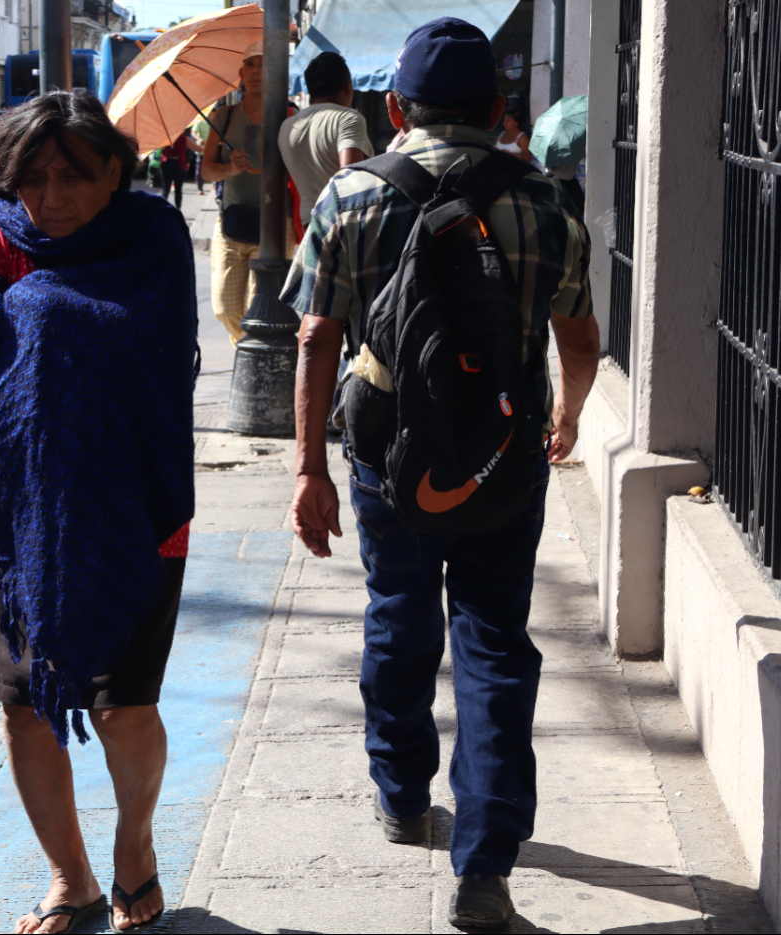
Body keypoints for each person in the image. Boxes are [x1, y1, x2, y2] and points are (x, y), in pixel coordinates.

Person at [282, 18, 600, 931]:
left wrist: (309, 470)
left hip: (389, 456)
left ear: (394, 109)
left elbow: (315, 335)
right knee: (496, 644)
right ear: (502, 111)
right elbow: (578, 338)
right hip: (505, 456)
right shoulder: (542, 200)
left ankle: (401, 790)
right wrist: (568, 412)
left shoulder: (349, 196)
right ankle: (485, 867)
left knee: (397, 614)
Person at [0, 90, 197, 935]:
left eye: (72, 177)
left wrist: (39, 308)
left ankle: (134, 846)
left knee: (122, 705)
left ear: (116, 174)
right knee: (25, 705)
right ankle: (70, 879)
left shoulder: (153, 238)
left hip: (137, 511)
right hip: (15, 524)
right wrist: (39, 308)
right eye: (32, 179)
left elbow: (157, 351)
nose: (49, 198)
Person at [202, 41, 286, 345]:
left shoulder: (286, 115)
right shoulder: (223, 116)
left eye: (263, 65)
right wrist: (229, 170)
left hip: (276, 227)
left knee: (260, 309)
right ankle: (249, 349)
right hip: (231, 225)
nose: (256, 71)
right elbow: (207, 170)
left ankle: (253, 361)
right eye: (250, 64)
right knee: (224, 308)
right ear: (241, 72)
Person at [278, 51, 373, 227]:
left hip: (309, 223)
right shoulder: (348, 118)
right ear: (348, 87)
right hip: (344, 225)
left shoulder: (287, 126)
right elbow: (349, 179)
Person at [158, 129, 192, 209]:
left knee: (165, 189)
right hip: (179, 164)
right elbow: (189, 150)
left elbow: (161, 151)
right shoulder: (184, 138)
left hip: (166, 164)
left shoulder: (165, 138)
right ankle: (178, 209)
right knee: (178, 189)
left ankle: (161, 209)